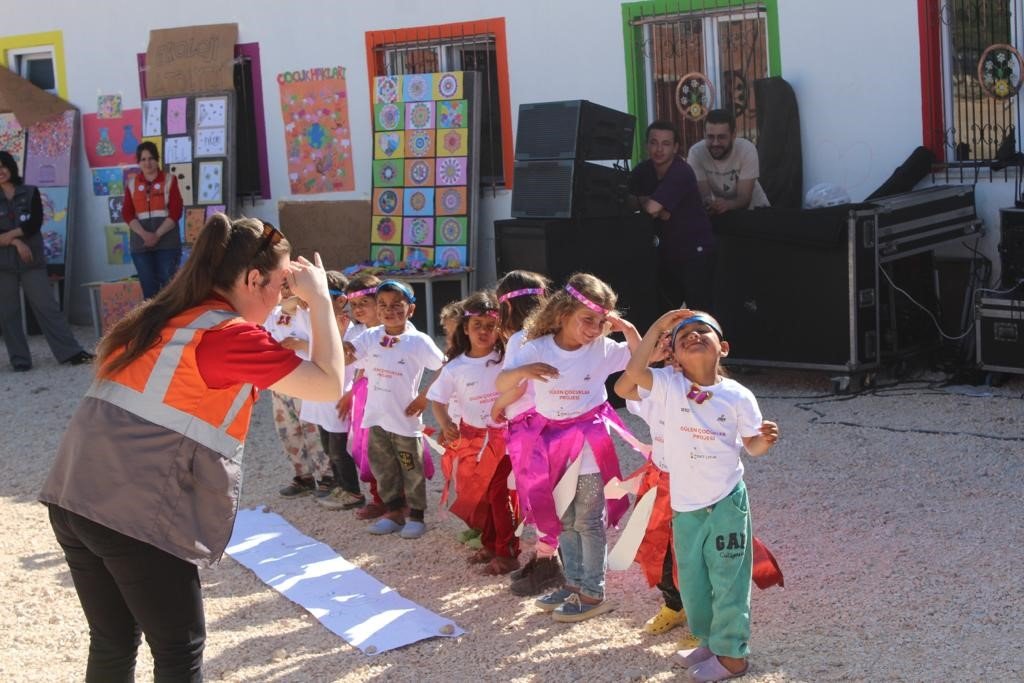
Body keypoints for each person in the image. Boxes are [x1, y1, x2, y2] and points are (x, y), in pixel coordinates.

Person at [39, 215, 345, 681]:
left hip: (73, 497)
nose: (287, 298)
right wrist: (320, 300)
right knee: (179, 653)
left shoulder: (166, 316)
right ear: (252, 279)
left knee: (112, 640)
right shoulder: (229, 336)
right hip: (132, 512)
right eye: (283, 287)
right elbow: (328, 385)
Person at [616, 308, 779, 682]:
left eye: (701, 332)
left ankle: (733, 655)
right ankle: (709, 641)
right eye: (682, 335)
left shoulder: (738, 395)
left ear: (722, 347)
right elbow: (625, 386)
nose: (691, 336)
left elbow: (750, 447)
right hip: (684, 504)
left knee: (728, 579)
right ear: (672, 351)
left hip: (724, 501)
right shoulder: (668, 385)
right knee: (691, 582)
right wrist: (657, 327)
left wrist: (763, 442)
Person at [497, 273, 640, 622]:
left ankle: (592, 590)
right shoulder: (536, 348)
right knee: (566, 517)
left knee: (588, 520)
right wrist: (523, 371)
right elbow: (502, 381)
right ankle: (574, 582)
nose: (594, 329)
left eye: (600, 321)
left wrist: (631, 333)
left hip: (589, 446)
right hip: (551, 445)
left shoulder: (603, 350)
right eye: (586, 319)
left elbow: (640, 364)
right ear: (562, 314)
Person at [428, 291, 519, 575]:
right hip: (471, 441)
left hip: (503, 439)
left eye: (490, 325)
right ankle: (491, 544)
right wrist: (445, 424)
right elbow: (437, 400)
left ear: (500, 328)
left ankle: (507, 553)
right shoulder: (455, 367)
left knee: (497, 495)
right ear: (465, 328)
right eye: (477, 324)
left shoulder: (508, 360)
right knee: (479, 495)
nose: (483, 331)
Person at [349, 280, 444, 539]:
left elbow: (445, 368)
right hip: (376, 417)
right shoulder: (370, 336)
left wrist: (424, 397)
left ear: (410, 309)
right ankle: (392, 511)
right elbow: (348, 354)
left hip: (404, 420)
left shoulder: (418, 341)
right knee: (383, 467)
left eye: (396, 305)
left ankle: (416, 515)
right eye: (382, 305)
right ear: (376, 309)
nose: (389, 311)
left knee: (410, 467)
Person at [0, 150, 92, 371]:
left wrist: (11, 236)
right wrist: (16, 242)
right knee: (8, 312)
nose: (0, 171)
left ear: (11, 167)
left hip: (32, 261)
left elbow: (35, 223)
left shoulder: (30, 192)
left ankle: (71, 351)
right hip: (3, 264)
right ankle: (20, 360)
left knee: (46, 306)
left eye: (3, 165)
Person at [489, 269, 549, 578]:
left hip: (528, 427)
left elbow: (518, 385)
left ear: (506, 308)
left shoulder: (518, 340)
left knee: (534, 491)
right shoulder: (550, 335)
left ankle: (546, 560)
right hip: (553, 423)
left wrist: (498, 405)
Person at [628, 120, 716, 311]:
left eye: (666, 144)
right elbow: (626, 200)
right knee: (664, 313)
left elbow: (650, 209)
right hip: (665, 255)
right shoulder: (643, 170)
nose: (659, 149)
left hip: (695, 253)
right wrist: (654, 207)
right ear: (646, 145)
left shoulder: (681, 171)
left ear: (676, 148)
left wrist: (645, 203)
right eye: (654, 142)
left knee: (700, 313)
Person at [263, 283, 334, 498]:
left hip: (306, 378)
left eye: (291, 286)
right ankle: (303, 475)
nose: (285, 291)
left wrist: (301, 344)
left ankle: (327, 476)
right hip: (280, 381)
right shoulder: (272, 314)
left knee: (313, 429)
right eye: (281, 286)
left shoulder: (310, 312)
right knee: (288, 429)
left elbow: (328, 344)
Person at [310, 270, 367, 511]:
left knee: (339, 448)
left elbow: (342, 360)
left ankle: (352, 492)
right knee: (327, 445)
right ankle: (341, 486)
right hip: (324, 398)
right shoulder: (323, 323)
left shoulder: (355, 330)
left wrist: (340, 335)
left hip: (341, 396)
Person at [337, 272, 389, 520]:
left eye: (363, 303)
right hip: (364, 395)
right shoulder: (357, 334)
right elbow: (359, 367)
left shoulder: (392, 332)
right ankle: (378, 498)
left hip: (387, 394)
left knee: (390, 446)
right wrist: (350, 394)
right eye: (354, 305)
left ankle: (400, 500)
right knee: (365, 447)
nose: (357, 309)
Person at [121, 141, 184, 299]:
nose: (147, 163)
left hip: (167, 244)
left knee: (169, 290)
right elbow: (127, 213)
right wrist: (145, 235)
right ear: (138, 162)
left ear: (157, 160)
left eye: (151, 158)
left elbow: (176, 212)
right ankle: (154, 324)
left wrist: (157, 235)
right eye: (143, 159)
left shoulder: (170, 180)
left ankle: (170, 323)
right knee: (149, 291)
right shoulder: (131, 183)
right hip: (141, 245)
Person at [686, 109, 770, 214]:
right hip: (720, 213)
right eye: (710, 137)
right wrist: (710, 203)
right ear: (704, 134)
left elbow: (744, 197)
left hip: (755, 211)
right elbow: (704, 196)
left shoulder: (747, 149)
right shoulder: (696, 152)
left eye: (721, 137)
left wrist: (727, 205)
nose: (715, 143)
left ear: (733, 135)